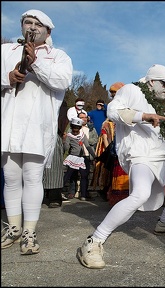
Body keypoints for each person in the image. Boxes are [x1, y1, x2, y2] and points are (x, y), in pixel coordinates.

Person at [76, 64, 165, 269]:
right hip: (141, 155)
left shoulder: (156, 104)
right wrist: (143, 116)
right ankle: (93, 241)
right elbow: (113, 111)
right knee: (139, 195)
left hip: (161, 156)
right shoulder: (132, 90)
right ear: (151, 81)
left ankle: (164, 222)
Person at [1, 9, 73, 255]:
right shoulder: (6, 51)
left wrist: (36, 63)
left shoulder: (59, 56)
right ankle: (13, 227)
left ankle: (29, 231)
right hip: (7, 125)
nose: (32, 27)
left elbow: (62, 82)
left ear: (48, 31)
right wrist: (7, 77)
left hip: (36, 126)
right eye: (27, 23)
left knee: (32, 177)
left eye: (37, 24)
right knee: (11, 178)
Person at [92, 82, 125, 202]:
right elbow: (105, 137)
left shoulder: (126, 105)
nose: (112, 95)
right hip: (113, 148)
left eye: (114, 92)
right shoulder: (107, 123)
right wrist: (108, 150)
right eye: (111, 93)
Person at [63, 117, 97, 201]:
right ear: (71, 128)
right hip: (73, 157)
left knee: (84, 175)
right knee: (68, 175)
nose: (75, 131)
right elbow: (66, 147)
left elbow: (88, 146)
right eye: (74, 129)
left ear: (79, 128)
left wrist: (94, 156)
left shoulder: (82, 135)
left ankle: (83, 194)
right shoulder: (69, 136)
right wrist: (65, 143)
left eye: (77, 129)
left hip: (81, 158)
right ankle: (58, 191)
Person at [43, 100, 69, 208]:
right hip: (39, 134)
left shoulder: (60, 103)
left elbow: (63, 120)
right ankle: (42, 196)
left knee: (54, 169)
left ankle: (54, 197)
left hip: (54, 135)